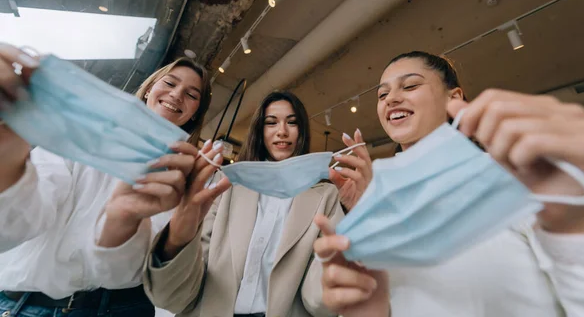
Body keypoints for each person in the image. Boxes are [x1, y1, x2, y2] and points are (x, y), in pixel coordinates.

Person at [313, 51, 584, 316]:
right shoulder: (379, 200)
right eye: (382, 94)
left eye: (410, 86)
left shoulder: (514, 173)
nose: (391, 99)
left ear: (454, 97)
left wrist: (580, 222)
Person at [0, 43, 229, 317]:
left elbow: (134, 272)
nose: (177, 95)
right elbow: (17, 224)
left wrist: (122, 222)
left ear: (194, 113)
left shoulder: (181, 176)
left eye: (192, 95)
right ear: (149, 88)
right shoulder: (79, 135)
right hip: (25, 304)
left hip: (118, 306)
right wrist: (7, 164)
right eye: (170, 82)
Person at [142, 91, 345, 317]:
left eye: (292, 122)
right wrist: (178, 237)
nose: (282, 132)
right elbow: (183, 288)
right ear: (259, 130)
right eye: (271, 123)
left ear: (302, 130)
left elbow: (318, 301)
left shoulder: (325, 196)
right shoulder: (226, 185)